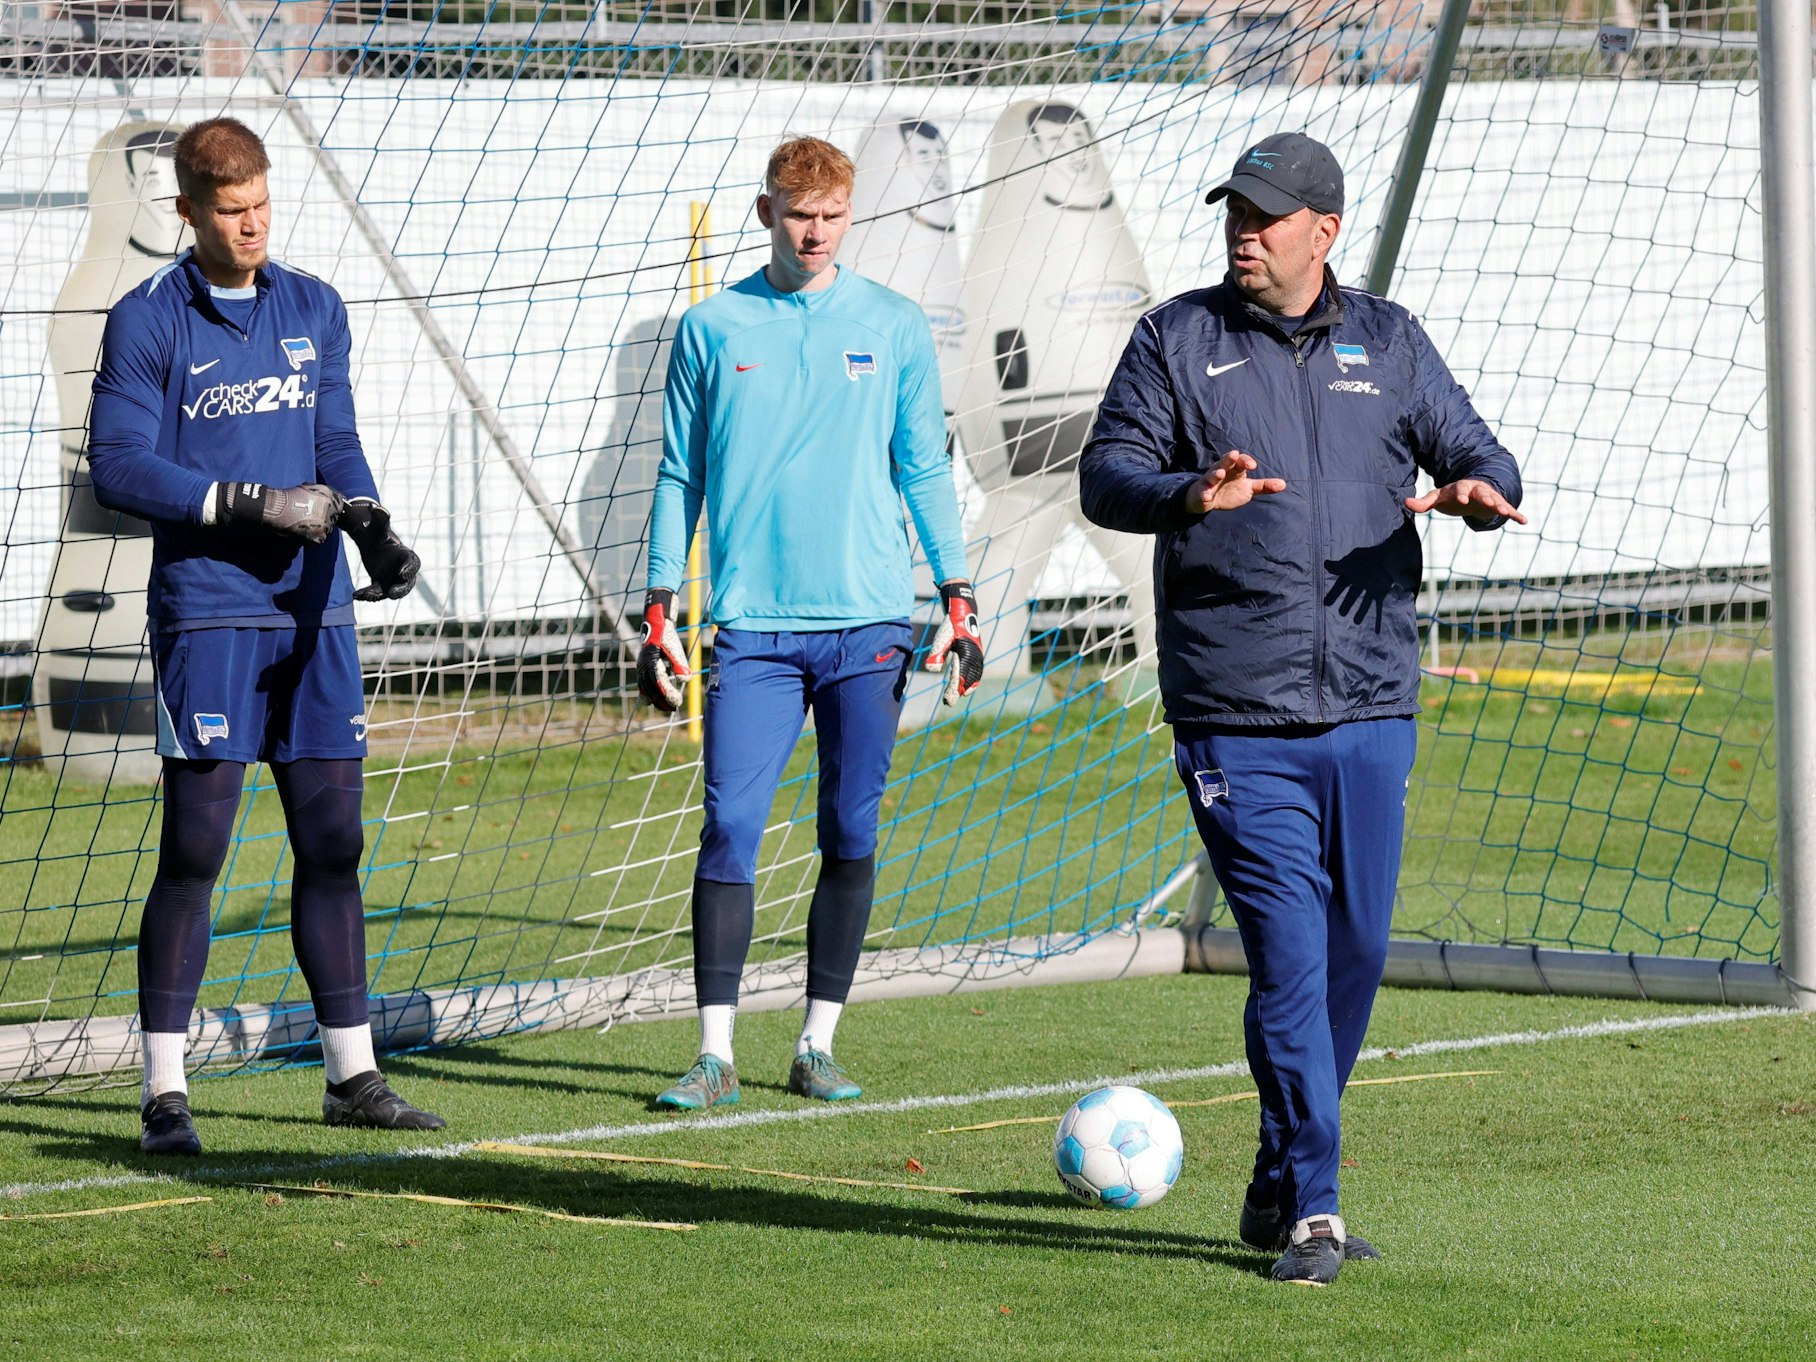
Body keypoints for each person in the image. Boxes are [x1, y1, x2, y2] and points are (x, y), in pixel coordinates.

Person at [1079, 133, 1526, 1286]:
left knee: (1354, 954)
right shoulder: (1175, 338)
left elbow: (1476, 451)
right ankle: (1317, 1210)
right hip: (1237, 713)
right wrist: (1191, 491)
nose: (1244, 228)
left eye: (1268, 214)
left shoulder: (1389, 339)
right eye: (1236, 208)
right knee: (1284, 959)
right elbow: (1106, 475)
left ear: (1322, 232)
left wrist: (1482, 495)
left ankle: (1278, 1174)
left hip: (1372, 703)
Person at [86, 116, 441, 1155]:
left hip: (314, 613)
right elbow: (119, 467)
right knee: (196, 848)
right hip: (209, 614)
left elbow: (334, 436)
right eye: (231, 210)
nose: (251, 226)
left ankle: (352, 1075)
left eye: (263, 206)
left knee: (335, 843)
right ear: (187, 209)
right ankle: (164, 1091)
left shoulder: (313, 307)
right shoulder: (147, 320)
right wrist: (249, 502)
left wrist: (372, 527)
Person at [638, 135, 983, 1111]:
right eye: (799, 215)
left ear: (849, 215)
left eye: (831, 215)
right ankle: (712, 1056)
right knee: (729, 827)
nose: (816, 231)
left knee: (849, 828)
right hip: (751, 626)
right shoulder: (711, 328)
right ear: (766, 214)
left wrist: (956, 593)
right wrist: (660, 600)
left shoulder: (895, 324)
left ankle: (816, 1044)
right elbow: (678, 474)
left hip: (870, 621)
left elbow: (921, 469)